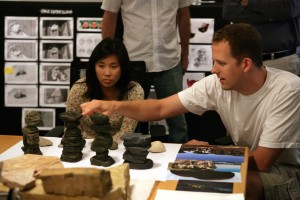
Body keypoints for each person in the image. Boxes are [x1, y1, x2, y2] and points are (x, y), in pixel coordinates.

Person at [80, 24, 300, 200]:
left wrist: (210, 153)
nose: (214, 69)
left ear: (245, 64)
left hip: (286, 171)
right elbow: (160, 107)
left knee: (233, 185)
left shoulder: (288, 90)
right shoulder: (216, 83)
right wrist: (114, 105)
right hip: (244, 159)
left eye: (221, 63)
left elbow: (262, 162)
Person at [100, 0, 195, 143]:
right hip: (133, 61)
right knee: (129, 117)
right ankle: (127, 159)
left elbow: (184, 15)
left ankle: (179, 160)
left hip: (169, 60)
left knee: (177, 120)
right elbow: (110, 14)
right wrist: (108, 56)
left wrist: (185, 54)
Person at [66, 37, 144, 143]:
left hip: (118, 148)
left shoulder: (134, 91)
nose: (107, 73)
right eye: (101, 66)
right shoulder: (79, 89)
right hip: (83, 147)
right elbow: (71, 127)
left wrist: (105, 147)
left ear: (123, 67)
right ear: (94, 67)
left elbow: (126, 132)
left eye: (114, 66)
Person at [222, 0, 300, 75]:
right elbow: (229, 11)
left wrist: (250, 2)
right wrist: (270, 17)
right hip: (244, 61)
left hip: (280, 61)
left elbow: (289, 9)